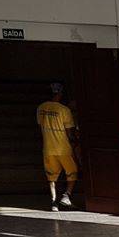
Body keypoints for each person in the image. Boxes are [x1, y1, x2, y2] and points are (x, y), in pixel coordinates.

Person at [36, 82, 78, 211]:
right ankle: (66, 195)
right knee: (72, 173)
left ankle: (53, 202)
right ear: (60, 94)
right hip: (64, 148)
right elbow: (69, 132)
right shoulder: (64, 110)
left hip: (48, 148)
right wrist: (75, 142)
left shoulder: (40, 108)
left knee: (51, 176)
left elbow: (40, 126)